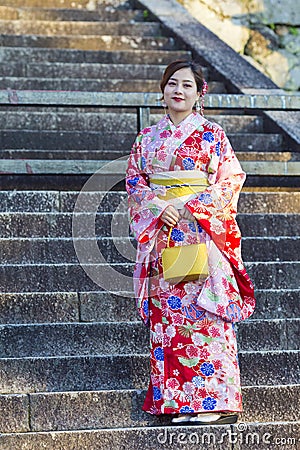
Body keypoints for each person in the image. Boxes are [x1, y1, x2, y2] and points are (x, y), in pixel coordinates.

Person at [126, 60, 255, 425]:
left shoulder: (212, 134)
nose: (178, 91)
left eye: (186, 85)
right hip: (164, 236)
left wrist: (189, 205)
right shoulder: (146, 138)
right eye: (172, 84)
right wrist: (157, 207)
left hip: (199, 233)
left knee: (203, 315)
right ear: (163, 90)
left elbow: (230, 179)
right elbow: (136, 183)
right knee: (170, 318)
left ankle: (214, 401)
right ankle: (180, 404)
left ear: (200, 94)